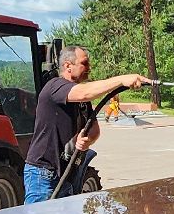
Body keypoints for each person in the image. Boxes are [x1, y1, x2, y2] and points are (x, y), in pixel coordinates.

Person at [23, 45, 147, 203]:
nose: (89, 68)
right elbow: (85, 92)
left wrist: (88, 140)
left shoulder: (81, 100)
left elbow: (94, 128)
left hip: (67, 173)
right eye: (84, 63)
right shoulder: (55, 86)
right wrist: (121, 80)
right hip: (43, 174)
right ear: (68, 66)